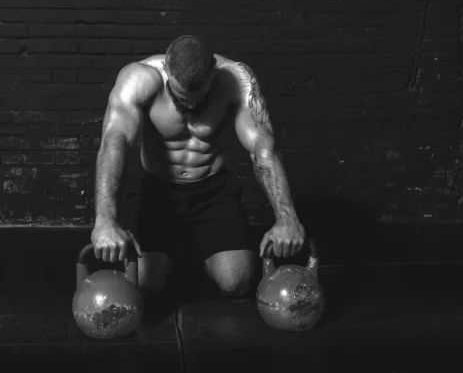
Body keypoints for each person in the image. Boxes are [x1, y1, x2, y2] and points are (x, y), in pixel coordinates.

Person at [91, 35, 306, 301]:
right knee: (144, 285)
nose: (191, 105)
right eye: (182, 97)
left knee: (237, 283)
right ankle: (174, 252)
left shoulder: (236, 80)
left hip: (212, 192)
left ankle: (200, 251)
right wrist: (105, 221)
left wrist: (287, 217)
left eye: (199, 97)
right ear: (167, 70)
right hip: (157, 193)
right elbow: (114, 143)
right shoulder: (139, 79)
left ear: (213, 70)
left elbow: (263, 147)